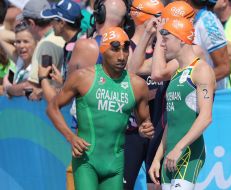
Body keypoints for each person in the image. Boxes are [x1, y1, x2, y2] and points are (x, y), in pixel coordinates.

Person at [47, 27, 154, 190]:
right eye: (115, 49)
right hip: (86, 162)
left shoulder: (137, 85)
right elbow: (52, 108)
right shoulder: (83, 78)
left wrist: (144, 129)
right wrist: (71, 137)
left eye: (125, 49)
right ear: (103, 50)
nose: (122, 56)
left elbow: (144, 123)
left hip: (115, 165)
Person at [148, 17, 216, 190]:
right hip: (170, 153)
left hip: (188, 152)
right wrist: (157, 158)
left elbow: (206, 117)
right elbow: (173, 121)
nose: (162, 44)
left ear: (181, 39)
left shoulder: (201, 70)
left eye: (166, 39)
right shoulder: (177, 73)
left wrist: (179, 148)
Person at [124, 1, 165, 190]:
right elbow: (129, 75)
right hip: (132, 131)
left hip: (158, 127)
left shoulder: (165, 45)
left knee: (155, 186)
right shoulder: (125, 45)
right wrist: (148, 34)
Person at [39, 0, 82, 101]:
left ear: (62, 23)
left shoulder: (80, 46)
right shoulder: (72, 43)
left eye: (53, 20)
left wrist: (43, 78)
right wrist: (63, 82)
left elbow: (81, 89)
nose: (51, 24)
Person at [22, 0, 65, 100]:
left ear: (32, 23)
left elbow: (32, 86)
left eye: (25, 23)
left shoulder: (45, 44)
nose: (25, 28)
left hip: (52, 108)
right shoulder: (64, 37)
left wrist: (9, 89)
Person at [185, 0, 230, 90]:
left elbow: (224, 68)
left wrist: (188, 86)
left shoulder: (208, 21)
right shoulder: (190, 21)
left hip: (214, 99)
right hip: (195, 99)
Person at [2, 21, 37, 97]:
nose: (21, 46)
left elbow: (30, 89)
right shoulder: (18, 62)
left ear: (36, 42)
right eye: (18, 41)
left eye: (26, 41)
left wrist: (10, 89)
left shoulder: (40, 64)